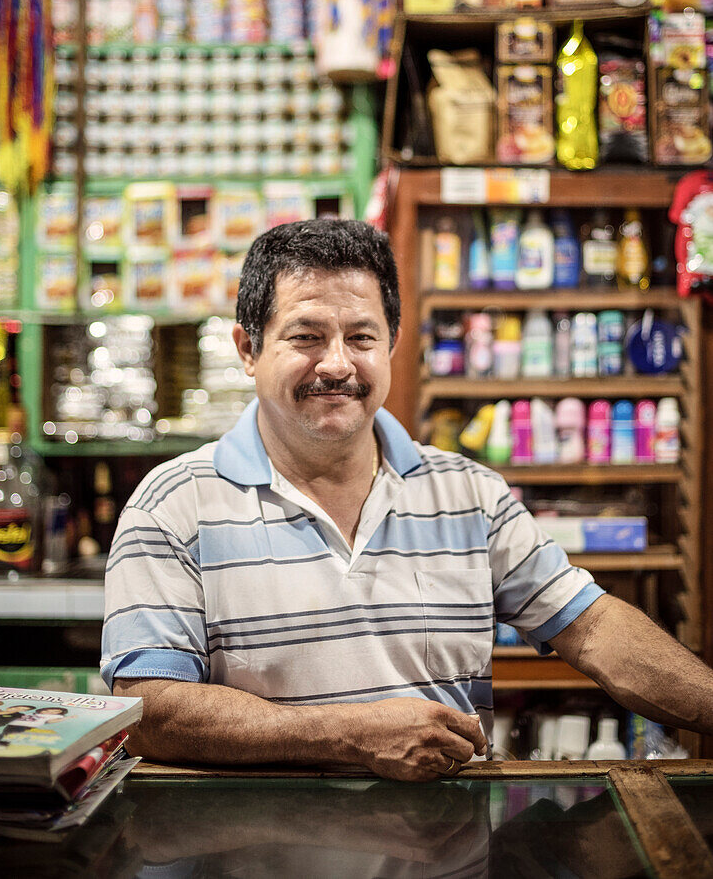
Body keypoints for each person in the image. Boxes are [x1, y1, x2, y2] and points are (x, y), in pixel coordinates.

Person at [102, 219, 713, 781]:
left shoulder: (470, 494)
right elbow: (148, 708)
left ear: (392, 343)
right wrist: (342, 736)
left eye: (361, 337)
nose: (337, 365)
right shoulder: (173, 505)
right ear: (248, 349)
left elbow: (595, 629)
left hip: (450, 850)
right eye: (307, 337)